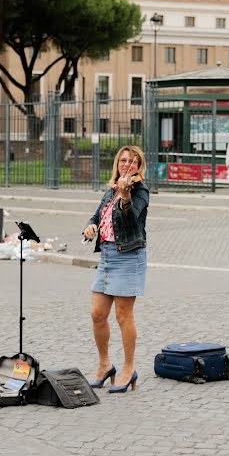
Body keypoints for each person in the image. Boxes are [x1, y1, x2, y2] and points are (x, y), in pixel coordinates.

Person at [82, 145, 149, 394]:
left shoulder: (139, 190)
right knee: (97, 314)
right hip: (108, 257)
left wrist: (125, 197)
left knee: (123, 316)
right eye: (123, 160)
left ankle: (128, 368)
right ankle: (104, 365)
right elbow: (97, 216)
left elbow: (132, 218)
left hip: (129, 256)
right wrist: (90, 227)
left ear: (138, 165)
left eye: (132, 161)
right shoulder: (111, 190)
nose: (126, 165)